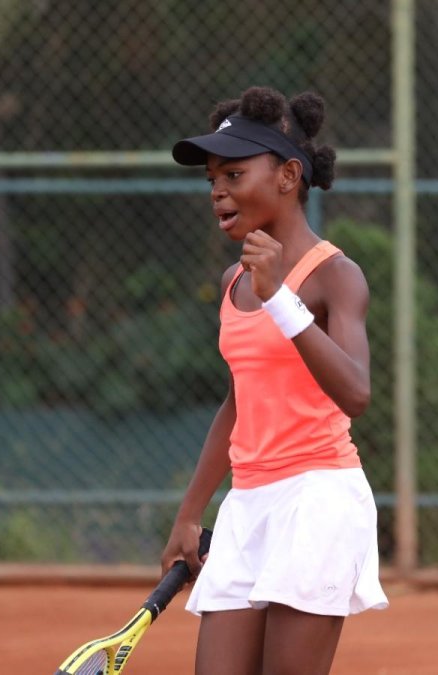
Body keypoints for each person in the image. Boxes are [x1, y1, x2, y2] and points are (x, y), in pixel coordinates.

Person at [162, 86, 388, 675]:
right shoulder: (234, 281)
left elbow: (357, 393)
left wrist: (280, 299)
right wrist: (190, 512)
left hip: (318, 501)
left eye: (233, 174)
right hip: (249, 505)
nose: (217, 191)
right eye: (211, 178)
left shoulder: (336, 276)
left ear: (288, 175)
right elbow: (240, 401)